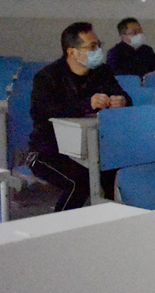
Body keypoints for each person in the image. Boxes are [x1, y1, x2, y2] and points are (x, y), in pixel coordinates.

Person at [28, 22, 132, 211]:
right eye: (92, 47)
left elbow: (124, 96)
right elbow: (44, 113)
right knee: (81, 182)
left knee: (115, 176)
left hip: (95, 147)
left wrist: (122, 100)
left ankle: (109, 221)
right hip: (50, 150)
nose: (98, 51)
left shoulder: (102, 72)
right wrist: (87, 105)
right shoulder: (48, 77)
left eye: (99, 45)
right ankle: (62, 226)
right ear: (72, 52)